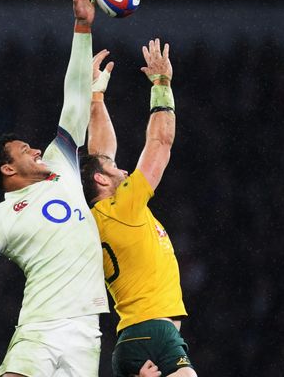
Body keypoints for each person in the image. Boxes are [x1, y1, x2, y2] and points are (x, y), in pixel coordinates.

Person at [0, 0, 161, 377]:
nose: (36, 148)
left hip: (87, 336)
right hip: (39, 331)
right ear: (8, 169)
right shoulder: (3, 218)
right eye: (24, 149)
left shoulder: (61, 167)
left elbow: (74, 100)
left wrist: (82, 28)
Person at [81, 39, 197, 377]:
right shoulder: (124, 207)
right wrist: (162, 85)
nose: (123, 169)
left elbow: (98, 156)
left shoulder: (98, 216)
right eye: (115, 169)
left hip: (131, 339)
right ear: (102, 183)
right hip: (155, 332)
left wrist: (96, 100)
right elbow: (160, 143)